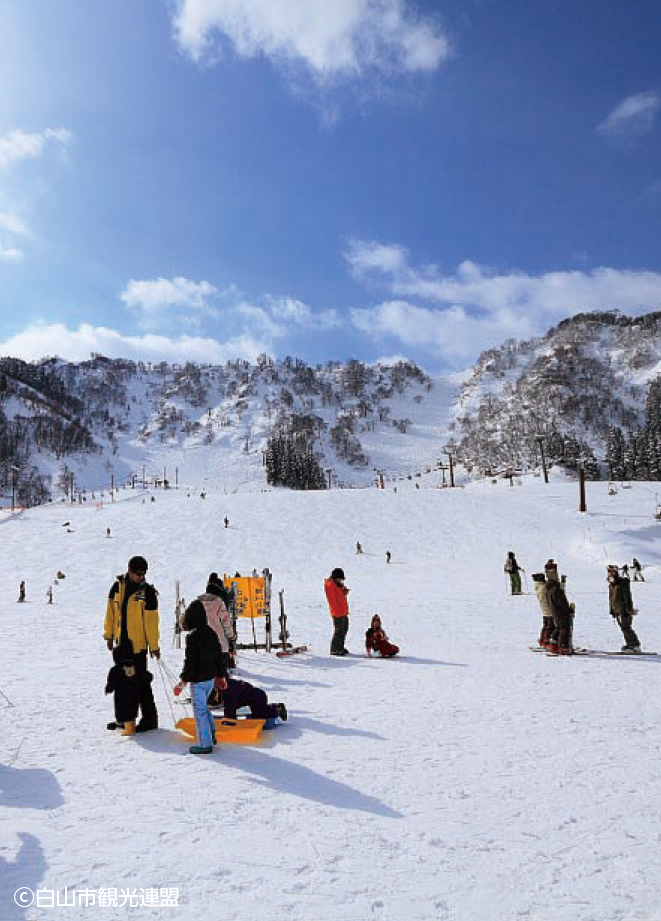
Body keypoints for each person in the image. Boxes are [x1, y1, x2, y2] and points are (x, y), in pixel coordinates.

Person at [104, 555, 160, 733]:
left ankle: (150, 719)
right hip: (122, 646)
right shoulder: (117, 587)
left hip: (139, 646)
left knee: (142, 682)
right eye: (138, 573)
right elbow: (111, 613)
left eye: (143, 573)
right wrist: (109, 635)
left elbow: (152, 622)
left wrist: (154, 646)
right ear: (129, 570)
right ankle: (126, 719)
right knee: (123, 685)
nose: (141, 577)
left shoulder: (148, 592)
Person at [174, 601, 228, 755]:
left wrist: (183, 681)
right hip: (210, 679)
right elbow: (220, 656)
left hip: (198, 681)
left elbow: (190, 662)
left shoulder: (193, 637)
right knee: (204, 708)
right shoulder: (211, 632)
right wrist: (221, 675)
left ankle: (205, 744)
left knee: (200, 712)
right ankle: (211, 735)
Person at [183, 573, 236, 676]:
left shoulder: (197, 602)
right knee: (220, 675)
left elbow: (187, 621)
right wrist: (231, 637)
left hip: (201, 643)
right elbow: (226, 623)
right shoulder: (219, 602)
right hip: (219, 644)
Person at [105, 643, 141, 736]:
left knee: (123, 711)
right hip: (134, 695)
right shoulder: (135, 667)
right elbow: (146, 676)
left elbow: (112, 682)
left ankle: (129, 730)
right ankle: (129, 725)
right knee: (131, 711)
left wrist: (109, 688)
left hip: (121, 696)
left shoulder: (116, 670)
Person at [219, 676, 287, 722]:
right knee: (256, 714)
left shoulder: (228, 690)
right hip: (253, 696)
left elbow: (230, 707)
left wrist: (229, 721)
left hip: (257, 697)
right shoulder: (226, 684)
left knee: (259, 716)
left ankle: (277, 709)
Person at [607, 564, 641, 653]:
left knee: (626, 627)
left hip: (624, 609)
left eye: (612, 571)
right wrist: (612, 610)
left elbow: (627, 596)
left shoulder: (622, 583)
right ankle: (629, 644)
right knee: (623, 628)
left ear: (616, 572)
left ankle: (635, 646)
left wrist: (629, 609)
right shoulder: (612, 584)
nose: (610, 573)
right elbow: (611, 599)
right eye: (609, 571)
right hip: (617, 610)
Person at [544, 560, 574, 655]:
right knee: (564, 628)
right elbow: (562, 602)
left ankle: (554, 642)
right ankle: (563, 647)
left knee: (559, 627)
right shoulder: (555, 588)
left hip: (554, 611)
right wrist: (569, 610)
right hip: (560, 612)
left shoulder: (549, 587)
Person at [324, 567, 350, 656]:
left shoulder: (337, 585)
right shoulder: (330, 585)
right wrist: (338, 613)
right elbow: (333, 601)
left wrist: (344, 592)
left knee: (344, 630)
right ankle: (335, 649)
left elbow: (340, 596)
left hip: (343, 611)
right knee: (339, 631)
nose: (341, 580)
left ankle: (340, 647)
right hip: (337, 612)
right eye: (339, 578)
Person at [532, 572, 554, 647]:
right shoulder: (544, 587)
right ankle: (546, 640)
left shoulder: (538, 586)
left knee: (546, 625)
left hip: (544, 609)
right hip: (549, 609)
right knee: (550, 626)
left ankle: (542, 639)